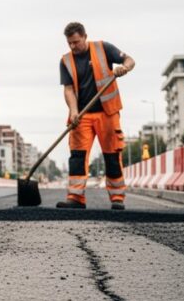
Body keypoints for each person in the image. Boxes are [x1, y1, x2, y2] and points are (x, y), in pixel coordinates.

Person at [58, 22, 135, 210]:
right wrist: (74, 111)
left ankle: (117, 197)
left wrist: (123, 68)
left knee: (111, 155)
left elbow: (130, 60)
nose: (73, 47)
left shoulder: (103, 48)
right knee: (77, 156)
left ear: (85, 36)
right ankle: (75, 197)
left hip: (107, 112)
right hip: (81, 116)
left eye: (76, 42)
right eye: (70, 43)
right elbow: (68, 90)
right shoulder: (66, 61)